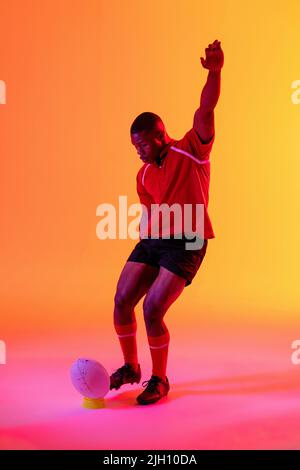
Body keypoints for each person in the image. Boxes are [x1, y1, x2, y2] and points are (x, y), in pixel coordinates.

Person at [110, 40, 224, 405]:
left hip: (189, 239)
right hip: (156, 240)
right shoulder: (143, 176)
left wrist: (215, 72)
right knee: (122, 300)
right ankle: (131, 367)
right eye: (135, 147)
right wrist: (148, 245)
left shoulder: (190, 149)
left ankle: (160, 379)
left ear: (161, 135)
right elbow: (150, 213)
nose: (139, 151)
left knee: (152, 308)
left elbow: (205, 109)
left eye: (143, 143)